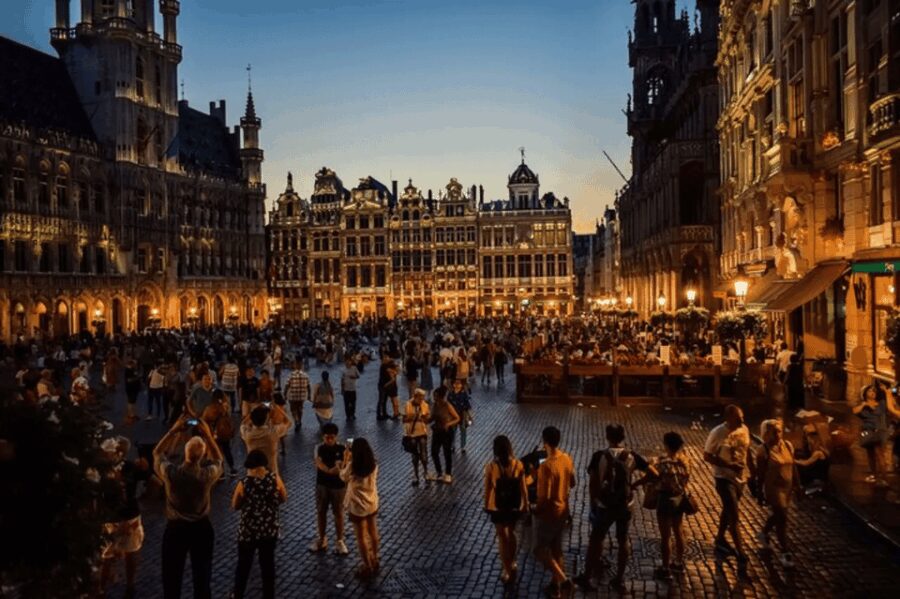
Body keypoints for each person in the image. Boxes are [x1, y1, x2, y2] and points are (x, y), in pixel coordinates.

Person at [153, 417, 224, 599]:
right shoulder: (205, 476)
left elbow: (157, 453)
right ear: (202, 456)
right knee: (202, 576)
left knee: (171, 577)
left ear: (185, 453)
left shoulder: (172, 474)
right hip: (201, 527)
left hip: (176, 529)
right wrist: (208, 436)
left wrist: (173, 431)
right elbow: (218, 460)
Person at [574, 424, 649, 592]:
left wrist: (594, 501)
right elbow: (654, 473)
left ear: (607, 436)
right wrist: (635, 483)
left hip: (604, 505)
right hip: (625, 505)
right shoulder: (632, 456)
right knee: (623, 541)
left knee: (596, 539)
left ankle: (587, 576)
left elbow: (593, 483)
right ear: (622, 437)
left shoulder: (599, 456)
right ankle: (619, 579)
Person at [231, 449, 288, 599]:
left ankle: (238, 594)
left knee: (243, 567)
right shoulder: (274, 479)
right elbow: (283, 497)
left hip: (248, 532)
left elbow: (235, 505)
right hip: (269, 531)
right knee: (267, 566)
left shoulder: (243, 483)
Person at [98, 436, 150, 598]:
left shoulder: (102, 468)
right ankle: (128, 585)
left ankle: (103, 587)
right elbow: (151, 478)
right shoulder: (130, 467)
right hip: (127, 517)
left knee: (108, 554)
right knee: (129, 552)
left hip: (112, 517)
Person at [634, 431, 689, 581]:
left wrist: (636, 484)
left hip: (665, 500)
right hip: (679, 498)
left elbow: (650, 476)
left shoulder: (661, 463)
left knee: (665, 536)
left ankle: (665, 568)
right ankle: (678, 562)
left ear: (666, 445)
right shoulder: (685, 461)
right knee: (678, 531)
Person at [703, 404, 751, 577]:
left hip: (740, 478)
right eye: (738, 418)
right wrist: (728, 464)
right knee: (733, 513)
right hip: (723, 478)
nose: (742, 421)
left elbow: (747, 451)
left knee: (728, 509)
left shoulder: (744, 430)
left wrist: (752, 473)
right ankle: (740, 552)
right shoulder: (718, 433)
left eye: (742, 418)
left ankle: (720, 538)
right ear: (729, 418)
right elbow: (707, 455)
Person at [532, 426, 575, 598]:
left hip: (550, 513)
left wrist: (535, 509)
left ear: (544, 442)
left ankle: (564, 581)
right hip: (564, 510)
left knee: (539, 549)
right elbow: (572, 482)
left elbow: (545, 496)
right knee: (557, 549)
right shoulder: (566, 458)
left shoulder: (546, 467)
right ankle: (555, 585)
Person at [754, 419, 799, 569]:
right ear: (767, 433)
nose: (778, 434)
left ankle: (764, 532)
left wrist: (798, 485)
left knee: (780, 515)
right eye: (774, 431)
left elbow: (793, 466)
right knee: (782, 518)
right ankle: (785, 552)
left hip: (787, 488)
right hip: (774, 488)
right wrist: (759, 492)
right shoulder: (763, 450)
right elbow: (760, 474)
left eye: (779, 431)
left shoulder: (788, 446)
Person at [484, 435, 529, 584]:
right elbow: (523, 487)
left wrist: (486, 505)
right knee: (511, 532)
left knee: (502, 536)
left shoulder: (491, 466)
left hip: (497, 506)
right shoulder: (518, 465)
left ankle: (506, 568)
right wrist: (526, 504)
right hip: (514, 505)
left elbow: (488, 488)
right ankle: (513, 560)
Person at [340, 438, 380, 578]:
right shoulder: (373, 464)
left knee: (361, 537)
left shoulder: (352, 466)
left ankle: (367, 565)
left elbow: (343, 477)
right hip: (372, 502)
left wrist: (346, 459)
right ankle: (375, 558)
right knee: (373, 532)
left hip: (357, 506)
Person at [310, 422, 349, 555]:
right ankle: (322, 539)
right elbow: (318, 462)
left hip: (338, 487)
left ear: (336, 436)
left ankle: (340, 540)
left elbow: (345, 465)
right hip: (322, 485)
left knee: (338, 513)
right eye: (327, 437)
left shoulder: (344, 448)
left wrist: (340, 467)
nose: (330, 440)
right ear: (323, 437)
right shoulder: (318, 448)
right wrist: (330, 470)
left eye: (332, 437)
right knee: (321, 512)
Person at [853, 383, 900, 486]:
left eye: (874, 391)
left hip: (879, 431)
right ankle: (874, 475)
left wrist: (887, 393)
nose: (872, 392)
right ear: (865, 393)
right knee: (870, 454)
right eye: (870, 391)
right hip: (868, 432)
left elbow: (891, 405)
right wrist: (864, 404)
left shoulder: (881, 404)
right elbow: (855, 411)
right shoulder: (863, 406)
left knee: (879, 453)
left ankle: (884, 478)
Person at [240, 404, 292, 477]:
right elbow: (288, 422)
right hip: (271, 473)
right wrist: (279, 409)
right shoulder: (273, 432)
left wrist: (252, 412)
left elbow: (243, 424)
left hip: (252, 474)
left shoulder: (248, 434)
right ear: (266, 419)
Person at [430, 386, 461, 484]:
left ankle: (448, 473)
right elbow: (432, 418)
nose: (434, 398)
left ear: (440, 396)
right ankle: (439, 472)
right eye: (433, 396)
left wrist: (448, 424)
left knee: (446, 452)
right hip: (437, 431)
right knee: (434, 452)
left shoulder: (447, 405)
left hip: (446, 432)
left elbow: (457, 418)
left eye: (435, 396)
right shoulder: (435, 405)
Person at [205, 389, 237, 478]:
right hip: (225, 433)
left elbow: (205, 420)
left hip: (214, 434)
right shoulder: (225, 407)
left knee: (217, 452)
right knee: (227, 450)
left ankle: (221, 472)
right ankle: (232, 468)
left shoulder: (210, 408)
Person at [403, 388, 431, 486]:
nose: (422, 400)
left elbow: (427, 419)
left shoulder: (425, 405)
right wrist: (414, 416)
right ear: (415, 397)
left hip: (422, 432)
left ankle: (426, 472)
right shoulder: (408, 404)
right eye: (420, 398)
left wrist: (425, 418)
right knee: (414, 455)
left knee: (423, 454)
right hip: (412, 434)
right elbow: (404, 419)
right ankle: (415, 474)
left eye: (423, 398)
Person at [795, 423, 831, 491]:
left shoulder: (818, 453)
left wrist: (792, 460)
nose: (809, 441)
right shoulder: (823, 450)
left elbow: (805, 463)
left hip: (818, 480)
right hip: (821, 479)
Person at [284, 359, 310, 432]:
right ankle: (300, 421)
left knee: (293, 410)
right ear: (301, 366)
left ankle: (296, 421)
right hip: (302, 396)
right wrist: (309, 396)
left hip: (292, 396)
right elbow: (308, 386)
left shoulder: (291, 375)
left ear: (295, 365)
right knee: (300, 409)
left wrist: (284, 394)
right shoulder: (305, 375)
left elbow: (287, 386)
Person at [448, 378, 473, 453]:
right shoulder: (450, 394)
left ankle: (463, 447)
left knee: (463, 431)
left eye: (459, 384)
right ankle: (452, 445)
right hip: (453, 416)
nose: (457, 385)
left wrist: (470, 415)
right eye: (456, 383)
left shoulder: (464, 394)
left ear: (461, 385)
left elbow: (467, 405)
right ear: (453, 385)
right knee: (452, 431)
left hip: (462, 415)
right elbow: (448, 405)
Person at [124, 359, 142, 425]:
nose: (136, 365)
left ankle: (133, 414)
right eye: (135, 364)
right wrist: (137, 378)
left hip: (134, 388)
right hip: (130, 388)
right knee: (130, 402)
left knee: (133, 401)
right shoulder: (128, 371)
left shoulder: (133, 370)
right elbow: (129, 380)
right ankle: (130, 414)